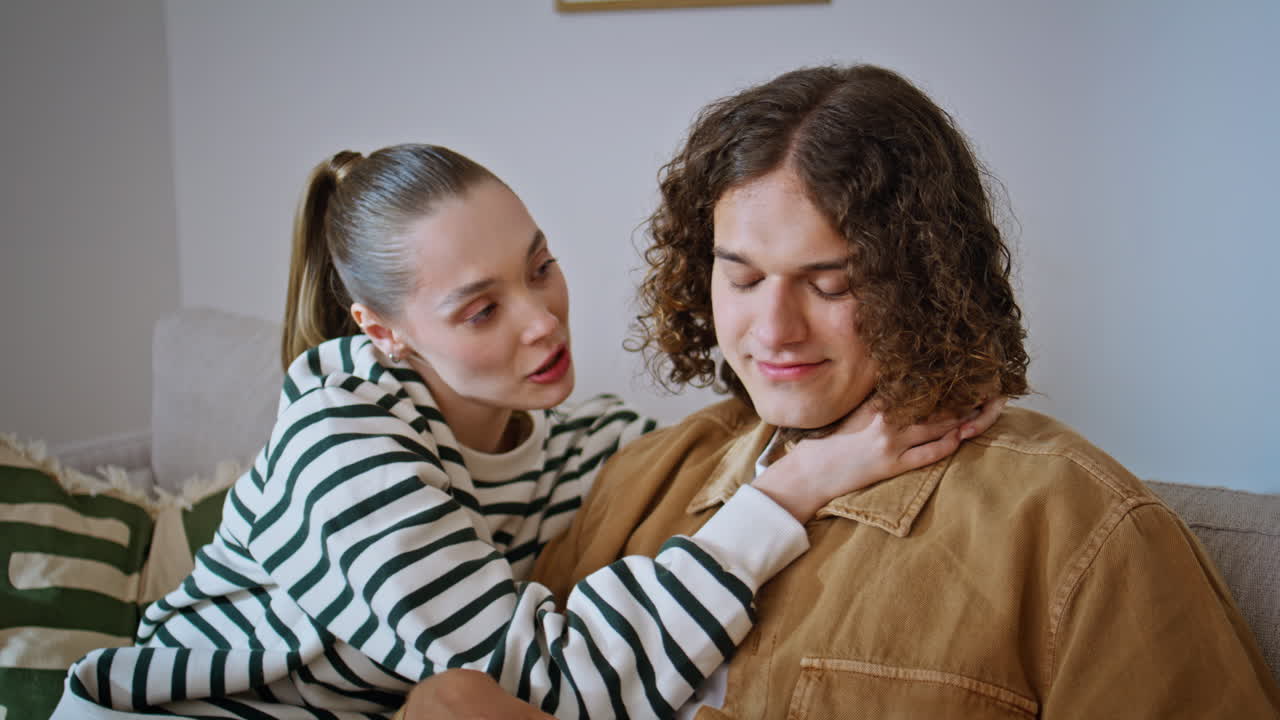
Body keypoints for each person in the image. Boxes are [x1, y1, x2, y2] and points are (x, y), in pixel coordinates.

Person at [413, 65, 1280, 718]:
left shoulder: (1075, 527)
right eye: (742, 280)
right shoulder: (640, 478)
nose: (775, 330)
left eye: (830, 283)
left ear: (922, 280)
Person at [53, 144, 1000, 719]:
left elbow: (711, 461)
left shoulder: (584, 443)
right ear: (380, 331)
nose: (543, 320)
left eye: (540, 267)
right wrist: (791, 491)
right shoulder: (342, 439)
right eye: (481, 309)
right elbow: (546, 684)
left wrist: (894, 395)